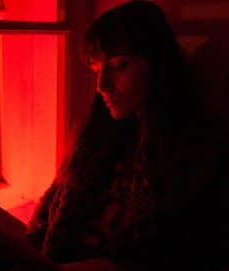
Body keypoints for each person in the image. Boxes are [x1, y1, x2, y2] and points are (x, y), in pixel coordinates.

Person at [25, 1, 229, 271]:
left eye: (119, 65)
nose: (101, 86)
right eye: (97, 70)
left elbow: (197, 253)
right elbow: (45, 220)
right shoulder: (93, 142)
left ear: (158, 66)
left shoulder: (199, 155)